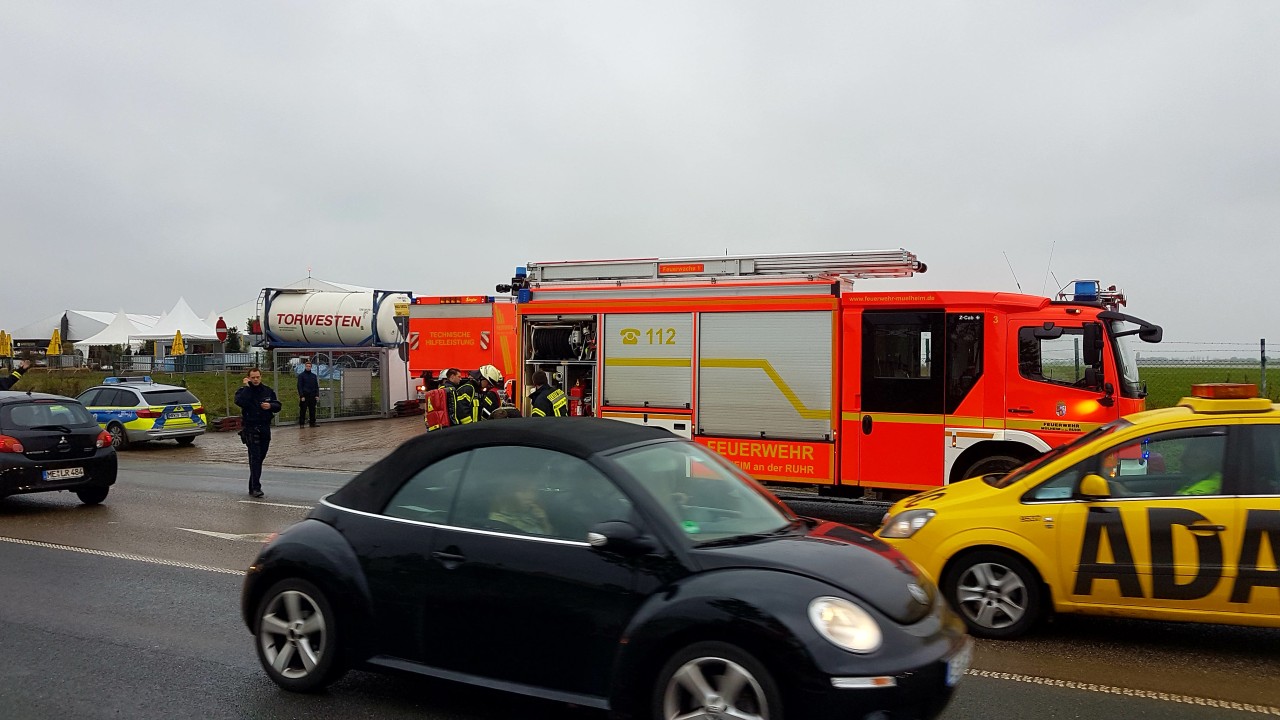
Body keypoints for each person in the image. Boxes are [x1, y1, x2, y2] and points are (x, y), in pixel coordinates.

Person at [235, 368, 281, 498]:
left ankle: (252, 485)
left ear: (261, 377)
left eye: (257, 377)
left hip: (265, 428)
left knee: (261, 457)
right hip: (251, 428)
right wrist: (247, 387)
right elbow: (240, 402)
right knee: (255, 458)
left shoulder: (267, 391)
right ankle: (256, 488)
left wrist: (270, 406)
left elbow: (278, 405)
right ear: (248, 378)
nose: (255, 380)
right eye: (253, 377)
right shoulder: (243, 391)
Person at [489, 476, 554, 535]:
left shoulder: (531, 515)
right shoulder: (498, 523)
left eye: (533, 491)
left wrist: (544, 521)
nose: (531, 497)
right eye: (523, 491)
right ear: (509, 493)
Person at [296, 360, 319, 428]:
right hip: (305, 396)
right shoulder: (301, 376)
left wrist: (317, 395)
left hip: (312, 396)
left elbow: (316, 386)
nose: (308, 367)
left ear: (311, 367)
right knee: (303, 410)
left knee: (312, 410)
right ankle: (302, 424)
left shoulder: (314, 376)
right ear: (305, 367)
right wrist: (301, 395)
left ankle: (312, 423)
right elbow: (299, 386)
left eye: (309, 366)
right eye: (307, 366)